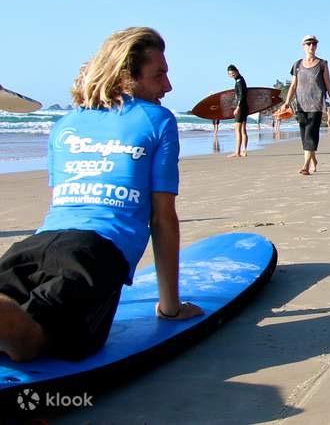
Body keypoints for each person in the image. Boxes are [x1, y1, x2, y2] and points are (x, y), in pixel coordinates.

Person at [0, 27, 203, 362]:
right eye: (159, 75)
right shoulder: (158, 120)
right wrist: (170, 308)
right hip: (95, 255)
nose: (168, 86)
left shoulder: (65, 124)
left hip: (33, 246)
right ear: (127, 76)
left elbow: (62, 205)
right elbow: (162, 218)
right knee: (34, 341)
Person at [281, 34, 330, 175]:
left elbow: (328, 84)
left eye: (314, 44)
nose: (311, 46)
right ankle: (313, 160)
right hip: (301, 104)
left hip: (317, 104)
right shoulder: (297, 64)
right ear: (303, 46)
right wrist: (287, 102)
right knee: (304, 135)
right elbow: (293, 85)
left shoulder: (322, 64)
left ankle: (305, 166)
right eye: (308, 44)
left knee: (311, 134)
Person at [227, 64, 249, 158]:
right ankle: (244, 151)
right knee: (243, 130)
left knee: (238, 130)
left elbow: (241, 95)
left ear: (237, 71)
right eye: (229, 74)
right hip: (245, 107)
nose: (231, 75)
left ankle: (237, 152)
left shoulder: (239, 81)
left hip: (241, 108)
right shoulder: (241, 79)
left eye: (232, 73)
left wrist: (237, 107)